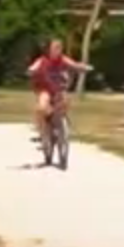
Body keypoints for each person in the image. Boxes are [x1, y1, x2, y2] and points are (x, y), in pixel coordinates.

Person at [27, 36, 82, 164]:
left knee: (65, 100)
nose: (58, 50)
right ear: (49, 49)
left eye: (60, 47)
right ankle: (43, 134)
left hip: (58, 90)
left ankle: (60, 125)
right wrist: (31, 71)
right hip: (45, 90)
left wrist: (83, 68)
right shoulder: (43, 60)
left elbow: (74, 64)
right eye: (55, 47)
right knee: (41, 107)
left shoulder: (63, 59)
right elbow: (34, 67)